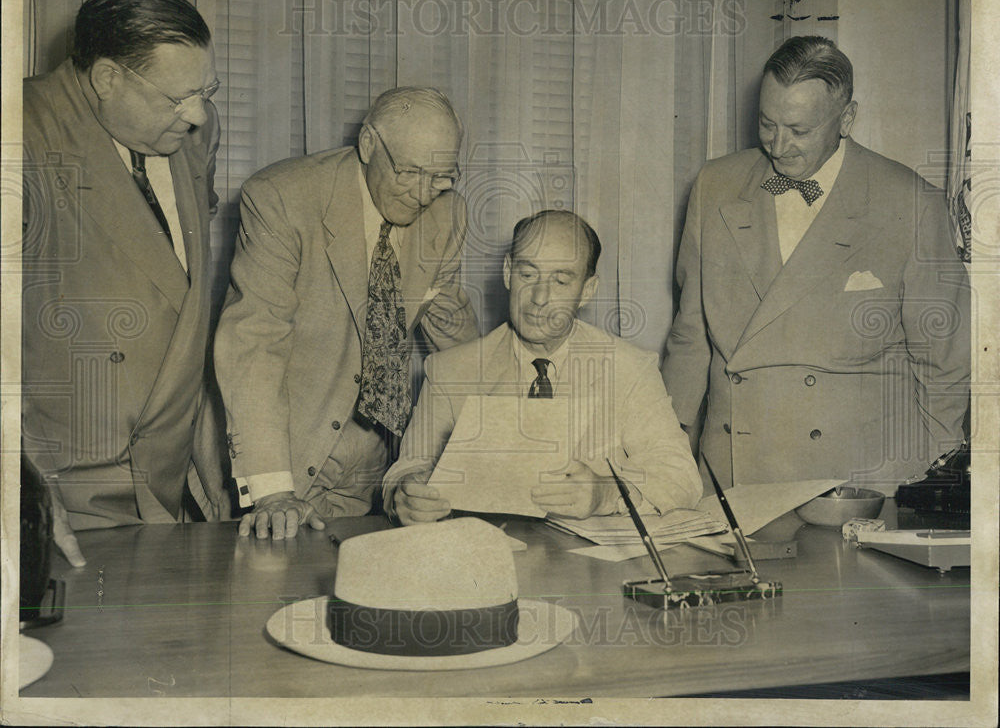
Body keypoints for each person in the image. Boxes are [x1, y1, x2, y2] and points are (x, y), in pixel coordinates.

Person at [663, 35, 970, 491]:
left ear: (847, 119)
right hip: (734, 473)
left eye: (799, 130)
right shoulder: (715, 186)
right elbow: (691, 341)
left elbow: (946, 362)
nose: (778, 145)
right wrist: (663, 458)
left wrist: (935, 479)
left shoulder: (911, 202)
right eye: (767, 124)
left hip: (856, 483)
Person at [21, 0, 226, 566]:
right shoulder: (20, 131)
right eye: (177, 98)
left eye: (206, 90)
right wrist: (22, 491)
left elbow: (172, 288)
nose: (197, 115)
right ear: (108, 78)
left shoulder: (193, 129)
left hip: (161, 488)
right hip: (60, 493)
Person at [215, 87, 479, 540]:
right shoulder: (283, 196)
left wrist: (504, 435)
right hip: (280, 451)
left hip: (373, 464)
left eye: (440, 176)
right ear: (369, 144)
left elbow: (455, 341)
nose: (422, 194)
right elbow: (254, 343)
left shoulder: (447, 213)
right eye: (410, 172)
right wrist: (273, 489)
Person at [384, 210, 703, 525]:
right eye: (527, 274)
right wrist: (406, 495)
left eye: (561, 281)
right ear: (508, 272)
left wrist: (605, 494)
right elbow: (405, 471)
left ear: (587, 291)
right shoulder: (450, 370)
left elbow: (681, 477)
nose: (539, 298)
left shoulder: (629, 369)